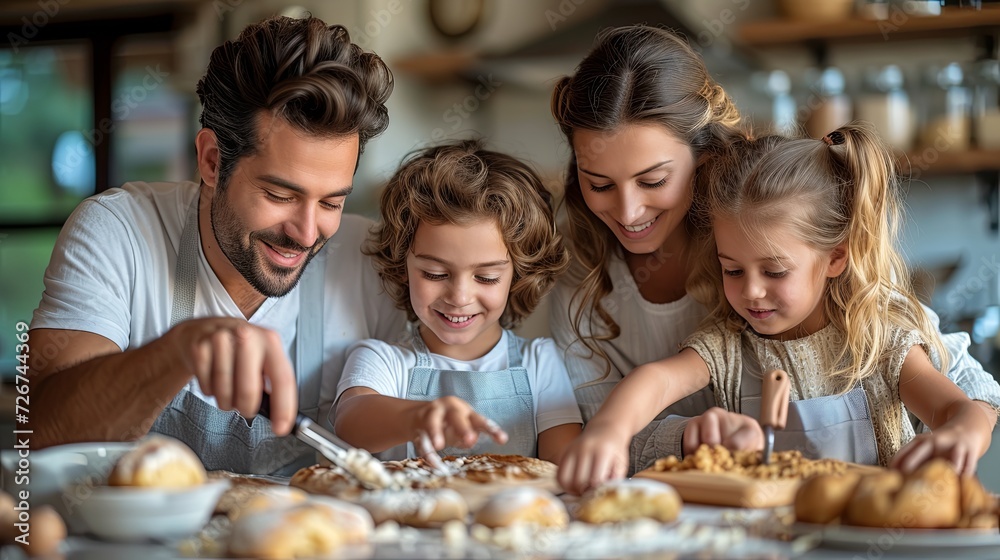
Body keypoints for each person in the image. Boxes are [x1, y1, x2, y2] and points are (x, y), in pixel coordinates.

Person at [549, 24, 1000, 475]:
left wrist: (965, 427)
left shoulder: (874, 332)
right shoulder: (726, 337)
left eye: (653, 180)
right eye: (600, 184)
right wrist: (619, 430)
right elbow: (647, 387)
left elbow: (961, 395)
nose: (628, 212)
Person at [28, 15, 405, 475]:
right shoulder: (116, 231)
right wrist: (177, 352)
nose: (307, 234)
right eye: (280, 195)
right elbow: (42, 431)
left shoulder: (372, 259)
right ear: (211, 161)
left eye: (330, 202)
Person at [333, 140, 582, 464]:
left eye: (487, 277)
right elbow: (351, 422)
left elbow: (562, 468)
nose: (459, 297)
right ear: (402, 265)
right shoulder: (384, 361)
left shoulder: (540, 363)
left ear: (519, 276)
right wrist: (418, 417)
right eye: (435, 274)